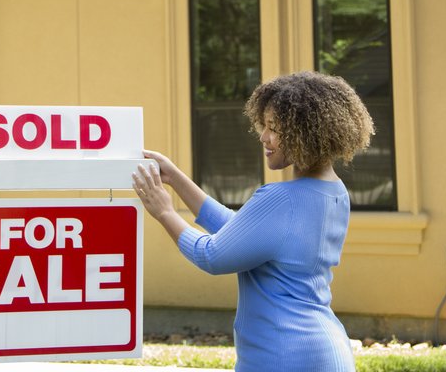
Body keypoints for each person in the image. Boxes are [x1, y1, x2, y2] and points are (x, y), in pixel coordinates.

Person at [131, 71, 373, 372]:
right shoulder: (336, 192)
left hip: (285, 355)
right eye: (265, 125)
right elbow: (245, 232)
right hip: (326, 351)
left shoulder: (282, 198)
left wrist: (164, 212)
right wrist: (176, 179)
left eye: (275, 128)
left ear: (306, 133)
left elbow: (212, 254)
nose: (264, 137)